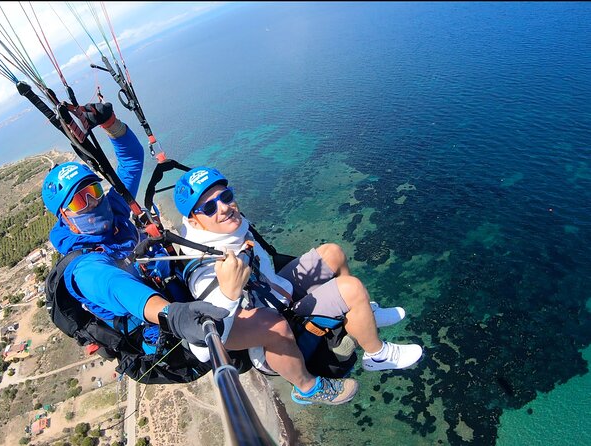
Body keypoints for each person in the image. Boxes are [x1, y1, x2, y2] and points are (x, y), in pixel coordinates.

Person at [173, 167, 423, 406]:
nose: (225, 207)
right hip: (273, 336)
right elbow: (207, 345)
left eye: (226, 196)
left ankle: (363, 316)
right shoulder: (205, 270)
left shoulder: (232, 232)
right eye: (209, 207)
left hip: (279, 294)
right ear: (194, 222)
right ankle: (370, 357)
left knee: (332, 253)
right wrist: (229, 294)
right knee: (352, 289)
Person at [41, 103, 230, 357]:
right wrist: (172, 315)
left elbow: (130, 161)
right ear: (64, 216)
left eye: (94, 191)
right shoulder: (84, 268)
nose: (93, 203)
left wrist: (110, 123)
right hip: (164, 334)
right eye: (79, 201)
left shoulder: (114, 210)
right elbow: (117, 287)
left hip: (174, 285)